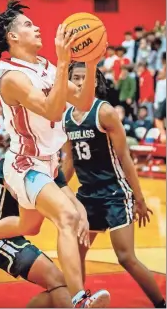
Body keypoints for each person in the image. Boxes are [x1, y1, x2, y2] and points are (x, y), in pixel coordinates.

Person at [0, 0, 109, 307]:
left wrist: (90, 63)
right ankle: (79, 298)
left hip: (47, 165)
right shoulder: (10, 76)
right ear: (12, 37)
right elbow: (52, 109)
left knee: (29, 225)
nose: (36, 27)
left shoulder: (45, 68)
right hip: (26, 165)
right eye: (28, 24)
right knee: (67, 216)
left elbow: (82, 101)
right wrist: (65, 62)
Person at [61, 62, 166, 309]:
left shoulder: (104, 112)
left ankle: (160, 303)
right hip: (87, 196)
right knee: (76, 254)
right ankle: (81, 302)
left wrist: (138, 198)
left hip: (115, 193)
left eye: (83, 78)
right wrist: (56, 191)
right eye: (74, 77)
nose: (78, 82)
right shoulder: (66, 118)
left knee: (125, 257)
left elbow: (125, 157)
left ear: (94, 82)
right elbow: (70, 163)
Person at [0, 158, 108, 308]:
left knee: (61, 284)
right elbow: (20, 195)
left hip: (14, 236)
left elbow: (70, 197)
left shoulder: (50, 164)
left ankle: (78, 302)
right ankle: (80, 304)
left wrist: (83, 216)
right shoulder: (12, 160)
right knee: (58, 281)